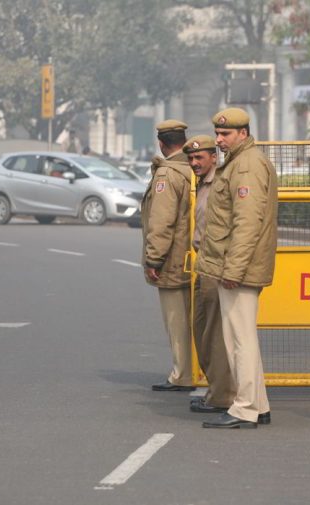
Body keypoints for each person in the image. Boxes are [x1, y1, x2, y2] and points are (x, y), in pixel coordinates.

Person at [196, 107, 277, 429]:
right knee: (241, 339)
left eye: (225, 134)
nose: (219, 140)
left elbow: (247, 223)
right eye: (217, 133)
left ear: (243, 134)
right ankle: (258, 404)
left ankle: (244, 409)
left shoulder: (246, 166)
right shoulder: (241, 162)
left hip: (238, 268)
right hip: (235, 265)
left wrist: (233, 269)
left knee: (239, 341)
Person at [183, 135, 236, 414]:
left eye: (199, 158)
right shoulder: (201, 185)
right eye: (191, 159)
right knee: (201, 331)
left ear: (214, 158)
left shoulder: (221, 185)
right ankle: (217, 390)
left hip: (216, 264)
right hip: (202, 262)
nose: (194, 163)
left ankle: (222, 396)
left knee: (214, 334)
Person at [141, 119, 195, 392]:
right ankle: (198, 371)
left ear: (162, 144)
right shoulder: (196, 168)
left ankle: (182, 375)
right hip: (195, 257)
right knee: (195, 320)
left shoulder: (167, 175)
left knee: (177, 321)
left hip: (172, 260)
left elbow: (161, 223)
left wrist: (154, 260)